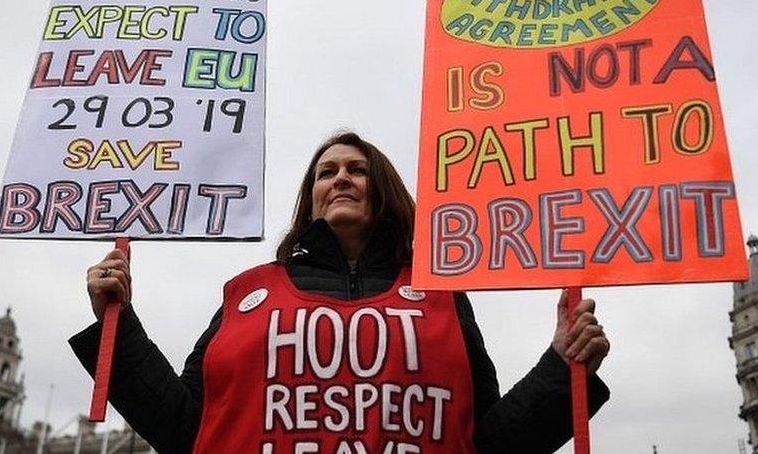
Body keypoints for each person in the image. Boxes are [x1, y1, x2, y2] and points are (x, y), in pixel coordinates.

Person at [70, 132, 610, 453]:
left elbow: (486, 442)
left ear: (385, 189)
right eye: (326, 172)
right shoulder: (248, 294)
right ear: (311, 198)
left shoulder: (441, 297)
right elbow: (187, 427)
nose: (342, 178)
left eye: (358, 169)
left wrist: (562, 368)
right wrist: (118, 323)